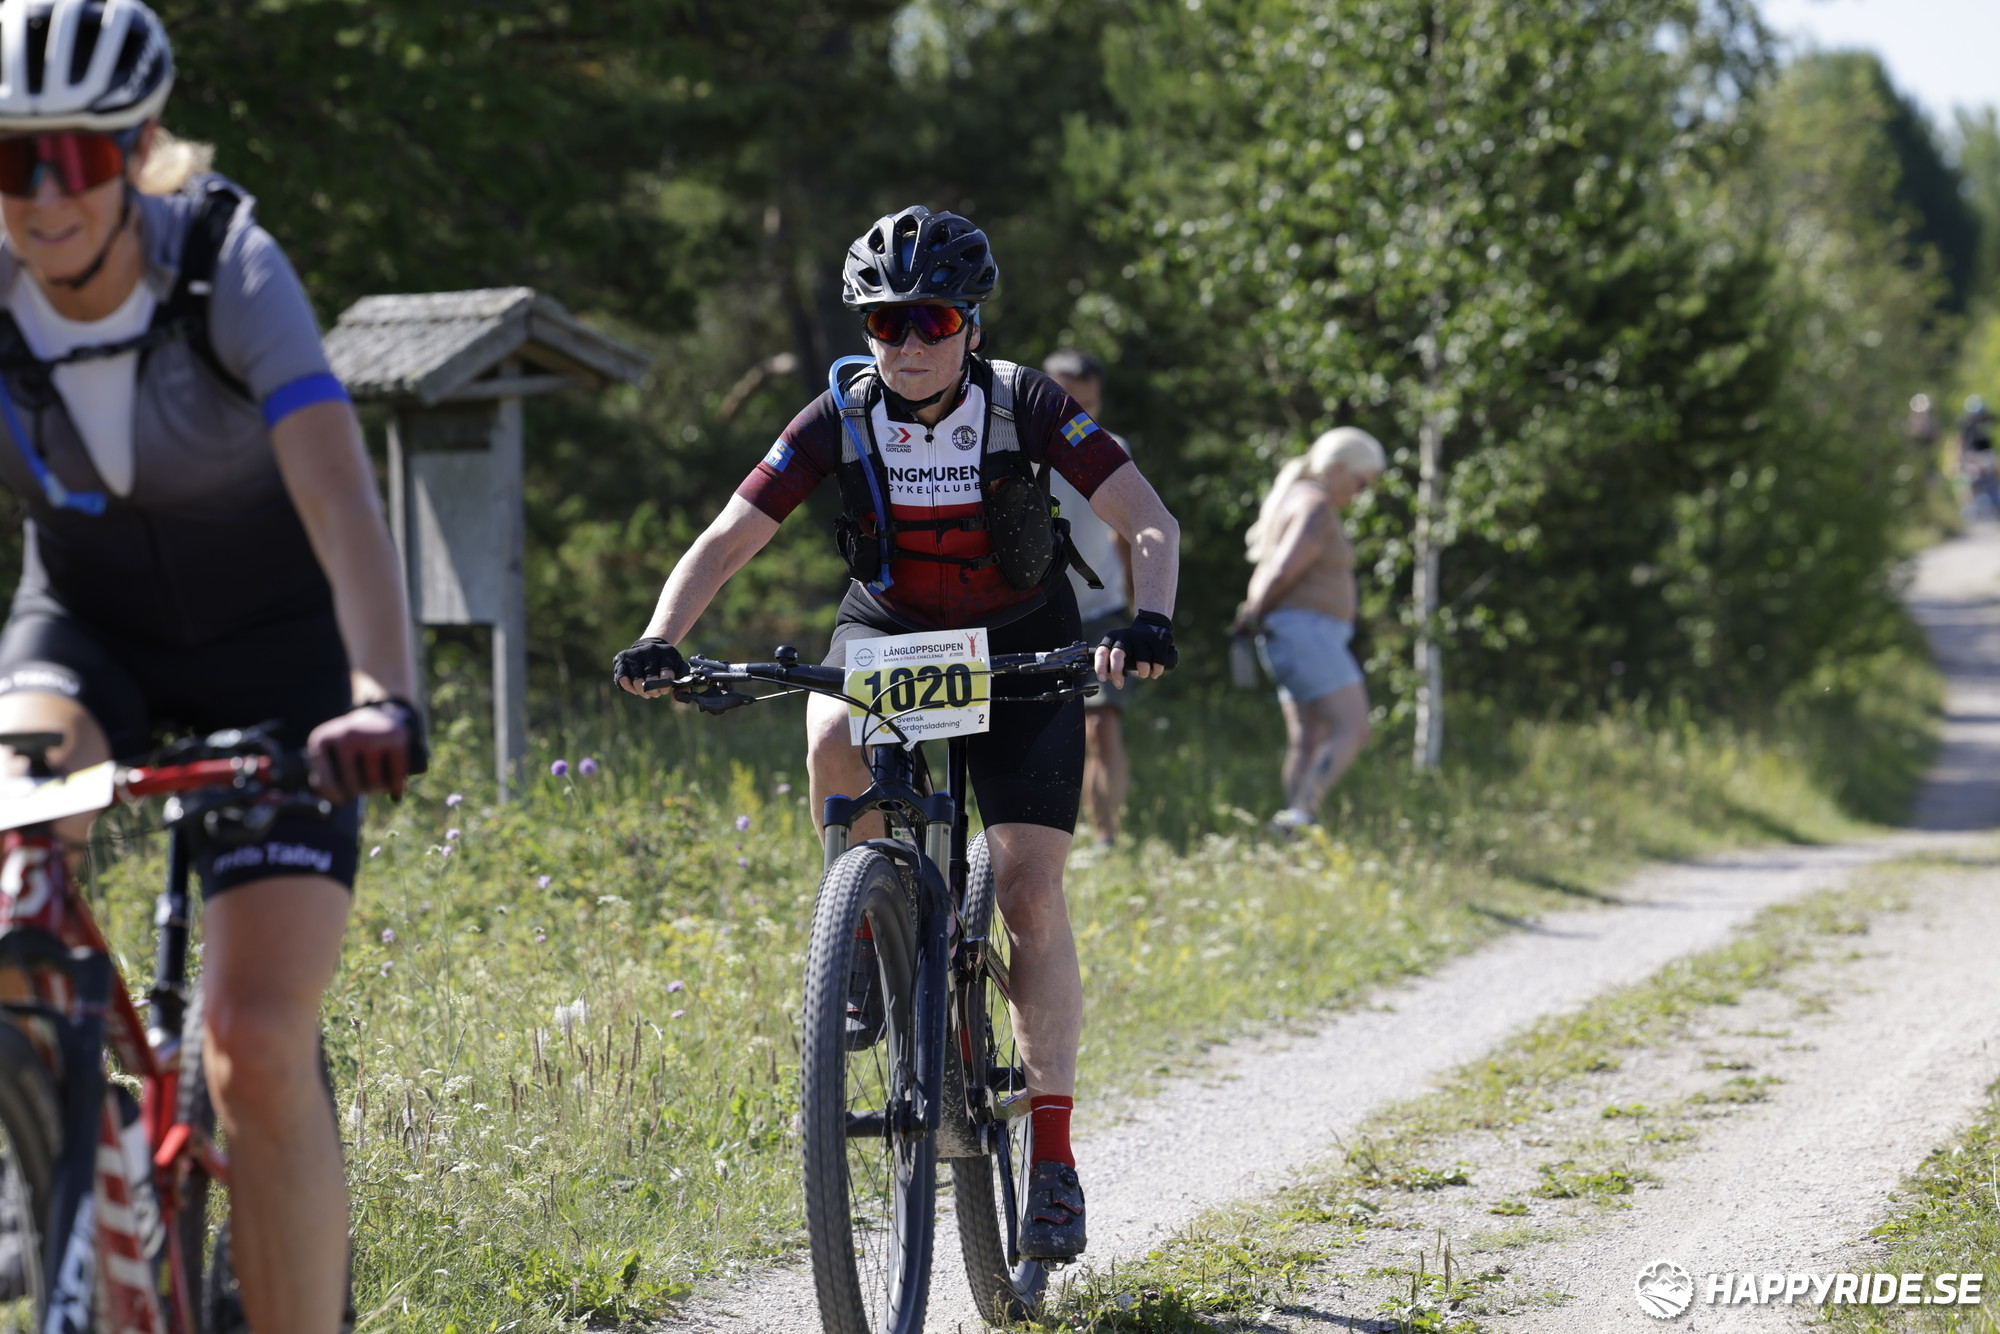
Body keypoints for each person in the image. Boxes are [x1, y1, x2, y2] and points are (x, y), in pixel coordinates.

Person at [613, 205, 1181, 1260]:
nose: (908, 343)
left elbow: (1147, 518)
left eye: (931, 320)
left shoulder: (1027, 402)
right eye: (885, 323)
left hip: (1022, 639)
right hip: (892, 631)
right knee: (826, 725)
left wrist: (1147, 620)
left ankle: (1053, 1160)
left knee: (1029, 891)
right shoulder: (839, 412)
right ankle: (867, 932)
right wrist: (661, 636)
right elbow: (731, 534)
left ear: (970, 323)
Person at [0, 3, 423, 1329]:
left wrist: (381, 692)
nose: (42, 196)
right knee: (7, 862)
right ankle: (39, 1160)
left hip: (278, 656)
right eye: (9, 160)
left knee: (251, 1040)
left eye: (76, 157)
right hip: (86, 634)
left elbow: (341, 499)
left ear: (137, 150)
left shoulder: (227, 265)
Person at [1234, 427, 1385, 832]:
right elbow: (1282, 570)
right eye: (1361, 482)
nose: (1362, 493)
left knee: (1308, 738)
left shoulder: (1298, 498)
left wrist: (1252, 618)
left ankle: (1291, 827)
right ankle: (1300, 818)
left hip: (1293, 634)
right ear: (1338, 468)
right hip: (1306, 634)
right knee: (1352, 727)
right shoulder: (1315, 505)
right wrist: (1252, 615)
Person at [1042, 349, 1133, 849]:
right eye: (1067, 400)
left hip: (1101, 610)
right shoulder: (1016, 451)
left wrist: (1139, 607)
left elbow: (1128, 531)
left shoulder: (1112, 449)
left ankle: (1106, 837)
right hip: (1034, 609)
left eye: (1088, 404)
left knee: (1101, 725)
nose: (1078, 413)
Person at [1958, 394, 1999, 520]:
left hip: (1987, 454)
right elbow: (1964, 445)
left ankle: (1995, 501)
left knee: (1994, 473)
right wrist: (1966, 459)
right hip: (1972, 457)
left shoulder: (1988, 421)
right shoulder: (1966, 426)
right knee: (1968, 479)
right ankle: (1970, 509)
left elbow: (1989, 445)